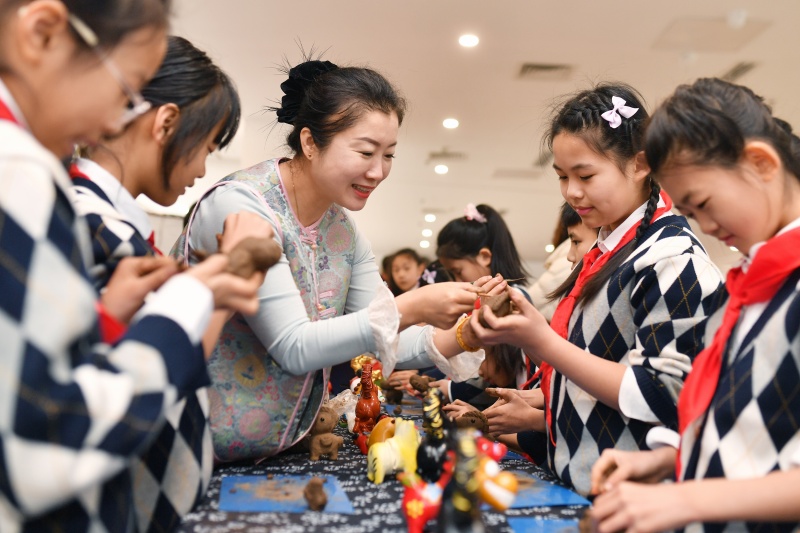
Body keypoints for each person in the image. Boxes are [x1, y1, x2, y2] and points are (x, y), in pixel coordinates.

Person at [0, 1, 262, 531]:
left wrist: (108, 317)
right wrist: (193, 300)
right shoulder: (21, 169)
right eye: (125, 91)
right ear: (43, 33)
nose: (110, 121)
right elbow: (44, 437)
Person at [176, 58, 481, 462]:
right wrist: (407, 307)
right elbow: (293, 346)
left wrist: (467, 334)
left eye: (389, 155)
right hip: (192, 448)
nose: (378, 171)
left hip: (279, 450)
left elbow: (374, 343)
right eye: (365, 151)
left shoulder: (345, 233)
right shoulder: (242, 206)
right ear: (309, 142)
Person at [468, 83, 724, 495]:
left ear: (640, 164)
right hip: (578, 479)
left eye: (585, 175)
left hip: (625, 496)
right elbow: (597, 364)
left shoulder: (669, 257)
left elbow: (660, 394)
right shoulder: (610, 251)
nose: (571, 192)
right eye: (562, 177)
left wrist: (542, 343)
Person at [68, 35, 270, 531]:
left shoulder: (113, 222)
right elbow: (136, 381)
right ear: (165, 123)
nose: (202, 171)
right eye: (205, 148)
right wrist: (228, 275)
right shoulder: (91, 221)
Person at [589, 78, 800, 533]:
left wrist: (690, 497)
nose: (704, 226)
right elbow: (744, 425)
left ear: (761, 162)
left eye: (704, 203)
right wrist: (668, 460)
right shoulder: (744, 286)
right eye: (689, 213)